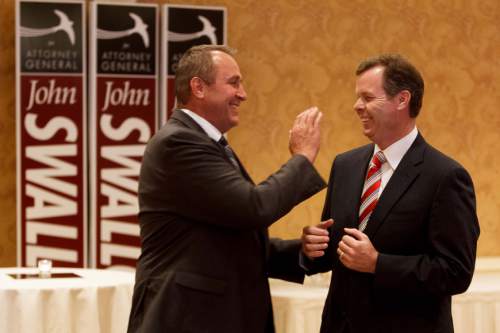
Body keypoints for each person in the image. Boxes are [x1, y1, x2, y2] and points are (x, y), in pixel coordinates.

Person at [127, 45, 326, 333]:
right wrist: (302, 157)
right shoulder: (179, 142)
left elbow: (227, 239)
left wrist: (301, 252)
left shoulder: (207, 144)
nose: (243, 93)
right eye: (233, 82)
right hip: (188, 319)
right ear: (198, 87)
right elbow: (253, 208)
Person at [301, 54, 480, 333]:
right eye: (357, 97)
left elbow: (455, 272)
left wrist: (378, 264)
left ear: (402, 99)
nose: (357, 106)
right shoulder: (344, 165)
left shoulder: (445, 176)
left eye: (368, 97)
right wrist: (313, 247)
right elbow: (336, 252)